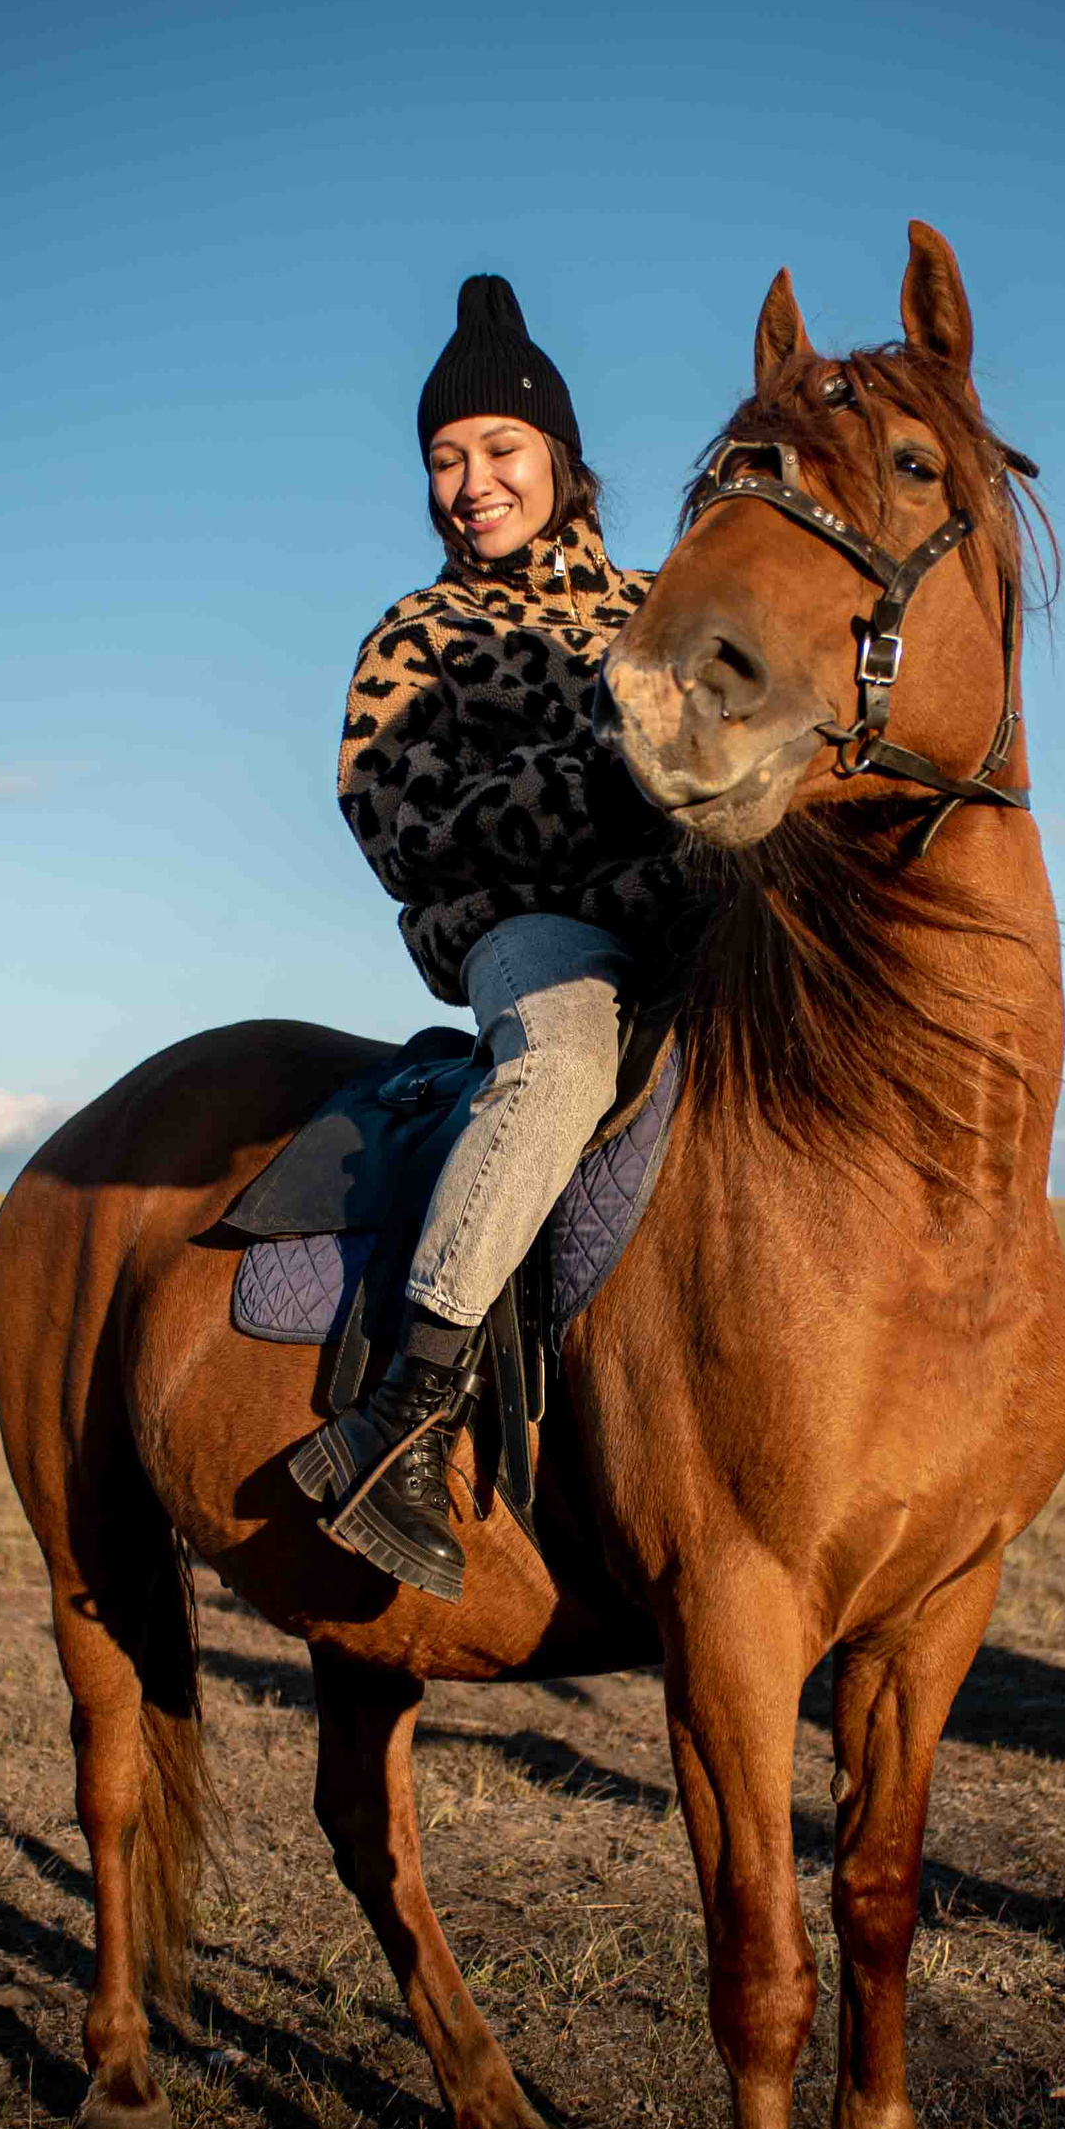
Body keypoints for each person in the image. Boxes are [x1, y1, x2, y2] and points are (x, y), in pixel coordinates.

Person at [292, 274, 690, 1599]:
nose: (471, 482)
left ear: (562, 461)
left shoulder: (661, 608)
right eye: (446, 461)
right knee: (566, 1060)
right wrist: (599, 781)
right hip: (532, 933)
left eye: (499, 450)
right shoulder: (418, 636)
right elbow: (399, 825)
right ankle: (404, 1416)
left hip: (693, 921)